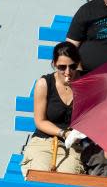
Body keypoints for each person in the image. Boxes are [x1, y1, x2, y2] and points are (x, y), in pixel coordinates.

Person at [21, 43, 85, 177]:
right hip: (43, 141)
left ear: (78, 64)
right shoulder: (44, 84)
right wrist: (64, 133)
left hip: (72, 145)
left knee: (67, 180)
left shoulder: (86, 84)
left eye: (72, 66)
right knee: (39, 178)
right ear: (54, 64)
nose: (68, 72)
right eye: (62, 67)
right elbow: (40, 121)